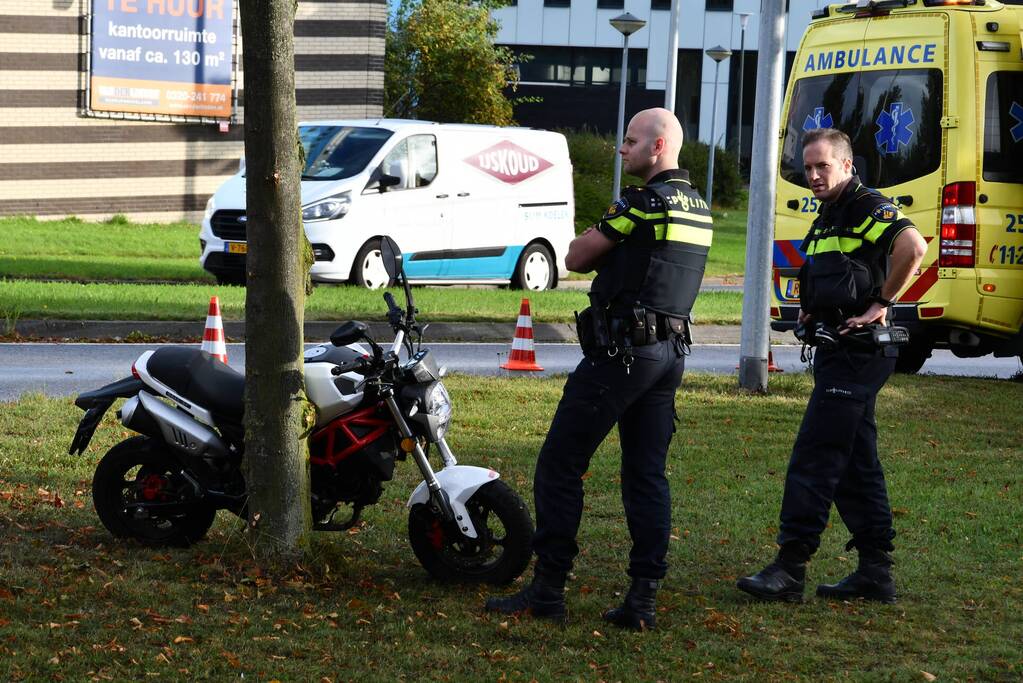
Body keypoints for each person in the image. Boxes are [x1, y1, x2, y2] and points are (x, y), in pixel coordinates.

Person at [484, 108, 713, 630]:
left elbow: (578, 256)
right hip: (669, 354)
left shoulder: (644, 203)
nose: (621, 149)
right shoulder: (698, 207)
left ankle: (548, 590)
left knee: (560, 463)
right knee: (646, 475)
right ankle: (643, 598)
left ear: (658, 147)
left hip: (622, 355)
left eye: (630, 141)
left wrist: (597, 235)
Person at [737, 128, 927, 604]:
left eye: (823, 166)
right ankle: (875, 571)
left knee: (817, 454)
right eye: (808, 168)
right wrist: (811, 310)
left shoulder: (867, 206)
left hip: (860, 353)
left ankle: (790, 567)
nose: (814, 175)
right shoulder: (829, 214)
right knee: (855, 464)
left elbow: (913, 247)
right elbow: (833, 275)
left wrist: (881, 303)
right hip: (836, 350)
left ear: (847, 165)